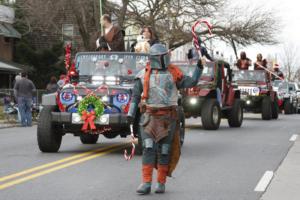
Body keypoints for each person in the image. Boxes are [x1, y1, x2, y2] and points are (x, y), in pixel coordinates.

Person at [127, 44, 203, 195]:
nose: (166, 58)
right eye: (163, 56)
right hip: (148, 117)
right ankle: (146, 182)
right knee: (148, 148)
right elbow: (135, 96)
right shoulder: (142, 75)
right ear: (156, 58)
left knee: (164, 150)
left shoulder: (174, 73)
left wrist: (199, 67)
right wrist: (130, 114)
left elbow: (191, 82)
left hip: (169, 117)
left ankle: (161, 182)